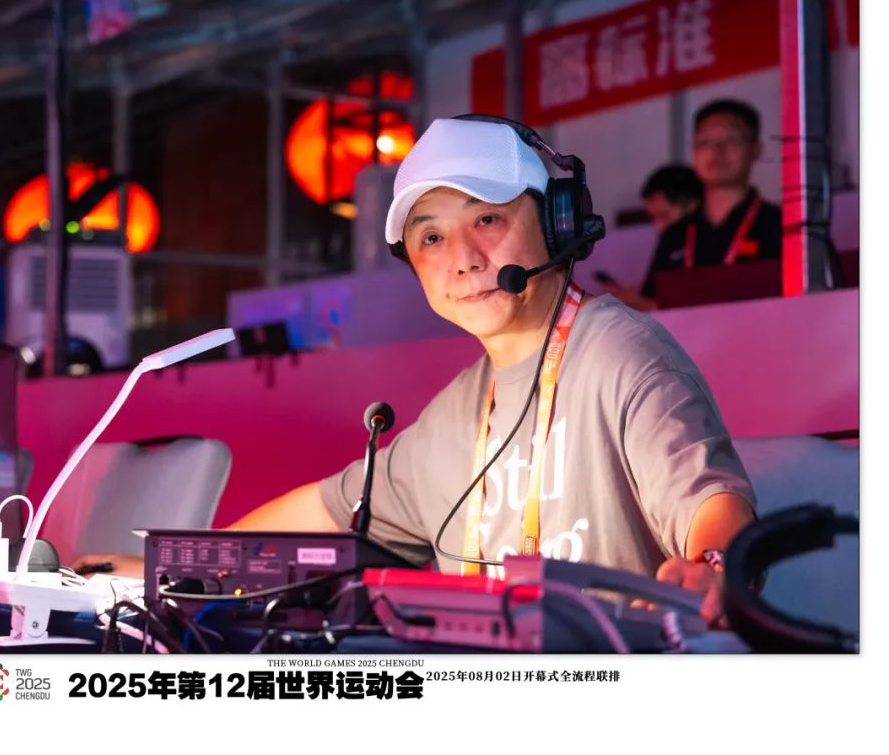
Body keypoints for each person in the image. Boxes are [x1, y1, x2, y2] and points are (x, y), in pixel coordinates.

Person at [75, 116, 757, 627]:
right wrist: (176, 569)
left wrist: (713, 571)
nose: (462, 258)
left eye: (487, 219)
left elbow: (711, 503)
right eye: (431, 236)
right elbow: (324, 509)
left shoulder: (619, 351)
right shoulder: (458, 412)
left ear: (558, 223)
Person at [640, 98, 782, 302]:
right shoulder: (675, 234)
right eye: (705, 142)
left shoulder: (780, 226)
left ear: (756, 149)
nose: (717, 151)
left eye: (731, 141)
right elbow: (653, 303)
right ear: (694, 152)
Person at [601, 164, 702, 311]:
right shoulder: (669, 239)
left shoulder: (700, 240)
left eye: (664, 215)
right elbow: (654, 292)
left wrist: (643, 304)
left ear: (691, 205)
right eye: (653, 218)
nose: (658, 227)